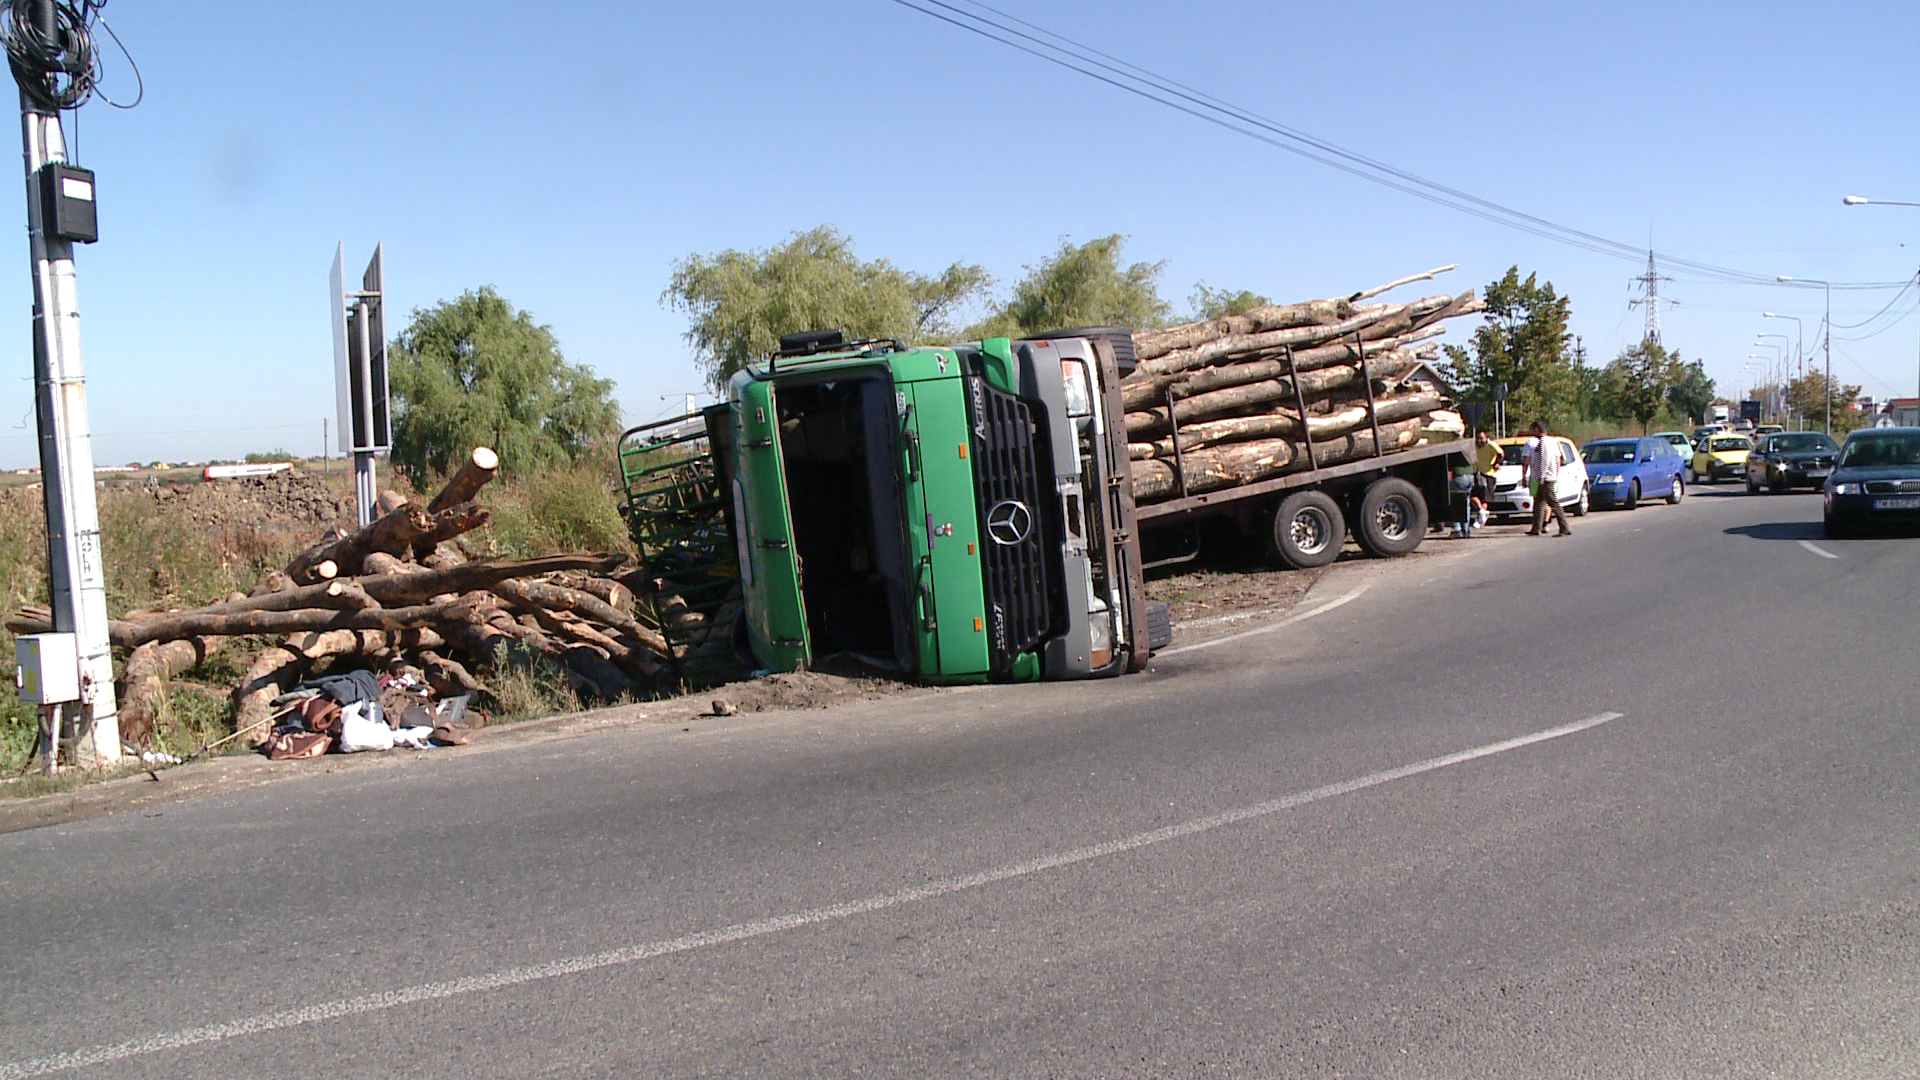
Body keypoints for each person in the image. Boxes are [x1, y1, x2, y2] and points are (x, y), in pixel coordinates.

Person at [1524, 420, 1571, 537]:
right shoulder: (1552, 441)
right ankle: (1536, 528)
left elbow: (1545, 460)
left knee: (1552, 502)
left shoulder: (1544, 442)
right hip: (1545, 476)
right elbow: (1557, 458)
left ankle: (1564, 527)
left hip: (1545, 478)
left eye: (1532, 429)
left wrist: (1542, 476)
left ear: (1536, 429)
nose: (1531, 432)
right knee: (1539, 502)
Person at [1471, 430, 1500, 527]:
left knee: (1485, 499)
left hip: (1488, 474)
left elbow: (1501, 454)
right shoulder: (1474, 446)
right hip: (1477, 472)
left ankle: (1479, 519)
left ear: (1486, 438)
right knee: (1472, 495)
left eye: (1481, 438)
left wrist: (1496, 463)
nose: (1479, 441)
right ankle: (1481, 512)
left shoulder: (1491, 445)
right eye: (1477, 438)